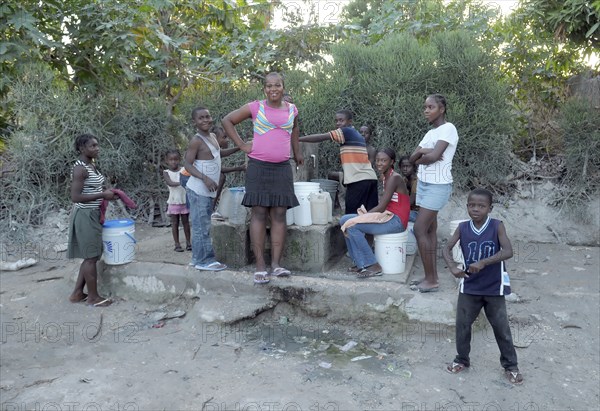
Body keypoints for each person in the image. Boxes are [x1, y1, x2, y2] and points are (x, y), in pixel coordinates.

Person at [222, 72, 303, 284]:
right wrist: (241, 145)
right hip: (258, 167)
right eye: (269, 86)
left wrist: (297, 152)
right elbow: (227, 120)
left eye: (277, 85)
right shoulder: (255, 107)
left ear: (284, 87)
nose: (273, 89)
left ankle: (276, 264)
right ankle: (260, 266)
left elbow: (294, 130)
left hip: (282, 168)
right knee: (258, 213)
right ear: (264, 89)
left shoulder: (292, 109)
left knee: (279, 214)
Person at [443, 188, 523, 385]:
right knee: (462, 326)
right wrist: (453, 267)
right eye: (472, 205)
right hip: (469, 286)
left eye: (481, 206)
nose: (476, 209)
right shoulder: (462, 227)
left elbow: (508, 251)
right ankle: (462, 359)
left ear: (490, 208)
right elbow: (446, 248)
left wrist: (484, 262)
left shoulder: (497, 226)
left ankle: (511, 366)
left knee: (501, 327)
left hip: (493, 287)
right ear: (467, 206)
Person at [409, 94, 458, 293]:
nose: (426, 111)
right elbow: (413, 158)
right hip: (424, 184)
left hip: (438, 186)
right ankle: (432, 277)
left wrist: (426, 154)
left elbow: (436, 156)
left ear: (442, 109)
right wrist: (424, 154)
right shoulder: (430, 133)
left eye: (430, 107)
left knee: (419, 229)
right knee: (429, 230)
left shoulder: (449, 129)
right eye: (425, 107)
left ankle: (431, 280)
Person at [339, 148, 410, 278]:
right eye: (377, 160)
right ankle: (360, 263)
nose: (379, 163)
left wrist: (362, 218)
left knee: (352, 226)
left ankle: (372, 265)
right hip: (388, 216)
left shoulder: (394, 178)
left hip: (397, 221)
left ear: (392, 162)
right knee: (344, 220)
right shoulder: (385, 177)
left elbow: (382, 206)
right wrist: (363, 217)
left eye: (384, 160)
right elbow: (384, 206)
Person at [67, 133, 116, 307]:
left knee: (90, 256)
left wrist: (107, 193)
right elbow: (75, 196)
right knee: (91, 257)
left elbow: (90, 189)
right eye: (92, 146)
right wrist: (103, 194)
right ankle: (93, 297)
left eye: (97, 145)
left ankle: (77, 293)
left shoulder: (90, 166)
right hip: (85, 215)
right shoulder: (80, 168)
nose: (97, 148)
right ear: (82, 149)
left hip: (92, 213)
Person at [300, 110, 378, 215]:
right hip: (370, 178)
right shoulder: (356, 135)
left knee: (351, 216)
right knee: (370, 215)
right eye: (336, 121)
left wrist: (298, 139)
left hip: (358, 180)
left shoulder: (346, 131)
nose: (338, 123)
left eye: (341, 120)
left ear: (350, 122)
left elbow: (322, 137)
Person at [184, 107, 229, 271]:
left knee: (201, 225)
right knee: (201, 226)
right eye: (201, 118)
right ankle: (206, 261)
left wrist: (241, 147)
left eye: (207, 117)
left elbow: (218, 155)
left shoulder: (211, 137)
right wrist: (204, 178)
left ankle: (197, 259)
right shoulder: (196, 141)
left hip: (208, 191)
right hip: (198, 190)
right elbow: (187, 164)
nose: (205, 120)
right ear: (194, 122)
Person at [211, 125, 245, 215]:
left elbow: (222, 153)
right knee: (221, 177)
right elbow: (219, 170)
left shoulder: (214, 149)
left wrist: (240, 147)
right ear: (215, 139)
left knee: (221, 177)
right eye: (224, 137)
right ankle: (210, 209)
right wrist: (239, 168)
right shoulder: (209, 150)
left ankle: (211, 209)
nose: (227, 140)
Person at [163, 149, 191, 252]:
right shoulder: (166, 172)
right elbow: (170, 183)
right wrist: (182, 181)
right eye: (171, 160)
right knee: (174, 223)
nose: (173, 162)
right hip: (173, 202)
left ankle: (188, 243)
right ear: (166, 160)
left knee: (186, 223)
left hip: (184, 201)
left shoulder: (184, 170)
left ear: (179, 160)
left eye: (175, 159)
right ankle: (177, 244)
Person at [398, 155, 419, 222]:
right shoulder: (404, 180)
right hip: (410, 211)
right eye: (403, 166)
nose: (405, 169)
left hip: (418, 213)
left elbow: (410, 202)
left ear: (414, 167)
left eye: (408, 166)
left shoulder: (417, 181)